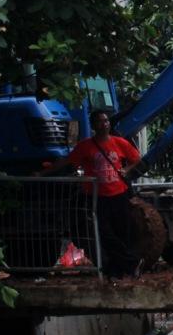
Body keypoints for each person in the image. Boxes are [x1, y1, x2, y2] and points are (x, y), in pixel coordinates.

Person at [38, 110, 143, 278]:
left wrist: (127, 169)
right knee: (105, 234)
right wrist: (42, 173)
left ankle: (119, 270)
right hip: (98, 197)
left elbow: (137, 159)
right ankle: (131, 263)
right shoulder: (85, 146)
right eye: (100, 122)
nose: (105, 124)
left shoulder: (119, 142)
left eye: (107, 121)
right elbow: (66, 161)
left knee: (123, 232)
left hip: (119, 194)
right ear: (93, 125)